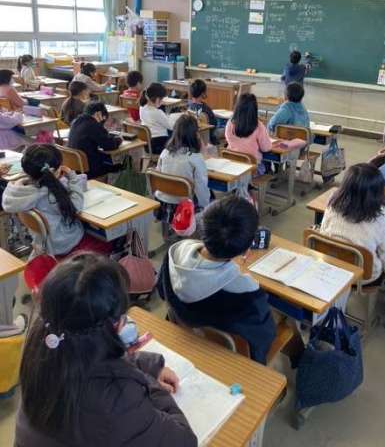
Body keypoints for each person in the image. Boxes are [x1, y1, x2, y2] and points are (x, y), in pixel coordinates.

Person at [15, 253, 197, 447]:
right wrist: (149, 382)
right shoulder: (118, 401)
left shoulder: (44, 342)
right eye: (123, 317)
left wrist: (147, 364)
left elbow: (88, 358)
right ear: (115, 326)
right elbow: (184, 440)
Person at [159, 196, 276, 364]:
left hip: (187, 335)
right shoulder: (246, 292)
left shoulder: (174, 252)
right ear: (246, 250)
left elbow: (161, 291)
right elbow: (264, 336)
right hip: (231, 358)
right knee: (285, 319)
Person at [320, 163, 385, 285]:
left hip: (331, 264)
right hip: (364, 277)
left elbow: (323, 232)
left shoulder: (333, 204)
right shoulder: (382, 220)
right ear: (377, 192)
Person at [2, 144, 85, 256]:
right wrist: (73, 178)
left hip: (41, 242)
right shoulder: (51, 196)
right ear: (55, 170)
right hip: (63, 243)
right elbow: (76, 207)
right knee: (93, 231)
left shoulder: (17, 191)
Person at [156, 114, 210, 210]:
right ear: (195, 134)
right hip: (185, 207)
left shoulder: (165, 153)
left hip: (163, 203)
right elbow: (201, 188)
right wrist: (205, 206)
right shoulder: (195, 158)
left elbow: (158, 175)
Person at [68, 101, 122, 179]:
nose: (103, 121)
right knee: (119, 164)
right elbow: (109, 145)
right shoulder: (93, 125)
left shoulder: (76, 121)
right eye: (103, 117)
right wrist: (119, 139)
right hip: (90, 169)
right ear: (98, 114)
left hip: (76, 166)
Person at [225, 93, 272, 174]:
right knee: (268, 162)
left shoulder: (230, 123)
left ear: (238, 107)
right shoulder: (259, 126)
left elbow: (228, 139)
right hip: (251, 169)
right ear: (254, 109)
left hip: (232, 165)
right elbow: (266, 148)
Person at [139, 83, 171, 155]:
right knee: (177, 133)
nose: (162, 101)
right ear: (157, 99)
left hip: (147, 143)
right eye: (162, 99)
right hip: (159, 144)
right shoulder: (157, 112)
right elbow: (170, 126)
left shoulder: (142, 107)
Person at [188, 79, 218, 145]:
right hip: (210, 135)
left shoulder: (190, 106)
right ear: (202, 93)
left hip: (197, 135)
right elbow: (214, 124)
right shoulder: (205, 108)